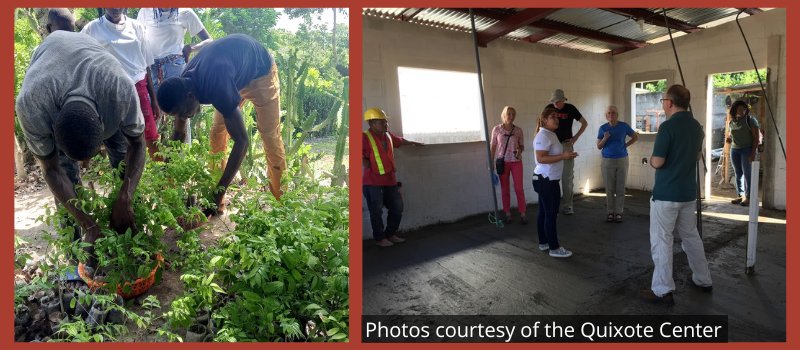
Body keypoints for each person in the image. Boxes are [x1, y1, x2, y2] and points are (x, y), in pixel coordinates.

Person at [15, 31, 146, 265]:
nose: (87, 165)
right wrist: (89, 223)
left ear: (105, 122)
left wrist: (126, 193)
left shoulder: (119, 89)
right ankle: (77, 253)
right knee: (66, 176)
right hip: (50, 66)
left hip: (96, 73)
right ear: (53, 129)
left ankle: (128, 220)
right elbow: (52, 170)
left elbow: (137, 143)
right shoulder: (31, 105)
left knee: (121, 157)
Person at [156, 34, 284, 212]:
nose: (183, 117)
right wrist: (167, 176)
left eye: (182, 113)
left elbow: (242, 142)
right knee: (217, 133)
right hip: (234, 74)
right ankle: (216, 202)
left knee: (269, 136)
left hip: (261, 72)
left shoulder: (215, 85)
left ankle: (282, 202)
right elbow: (178, 134)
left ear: (191, 96)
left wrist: (218, 192)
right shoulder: (183, 85)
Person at [640, 85, 713, 305]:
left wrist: (651, 161)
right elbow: (697, 155)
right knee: (691, 237)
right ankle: (703, 279)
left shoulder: (667, 127)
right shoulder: (696, 127)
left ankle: (662, 290)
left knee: (662, 241)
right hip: (688, 194)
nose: (662, 103)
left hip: (666, 195)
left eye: (663, 99)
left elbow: (659, 161)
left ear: (670, 103)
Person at [82, 8, 160, 159]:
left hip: (139, 88)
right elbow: (82, 58)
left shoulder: (137, 26)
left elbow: (147, 65)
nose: (116, 7)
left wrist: (154, 101)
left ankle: (162, 178)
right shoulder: (92, 29)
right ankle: (127, 178)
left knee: (150, 136)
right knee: (119, 140)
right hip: (110, 92)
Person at [137, 8, 213, 143]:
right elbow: (139, 39)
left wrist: (192, 48)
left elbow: (209, 40)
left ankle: (183, 156)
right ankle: (152, 156)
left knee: (183, 112)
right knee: (152, 112)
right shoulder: (145, 11)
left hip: (175, 66)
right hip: (151, 68)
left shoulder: (185, 12)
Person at [362, 108, 424, 247]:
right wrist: (364, 162)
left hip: (390, 180)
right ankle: (380, 238)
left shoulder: (388, 135)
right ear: (372, 124)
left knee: (397, 207)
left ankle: (390, 234)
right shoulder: (364, 137)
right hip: (372, 182)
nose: (386, 124)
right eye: (382, 122)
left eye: (386, 121)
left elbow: (400, 141)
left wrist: (413, 143)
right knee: (376, 211)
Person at [533, 107, 578, 258]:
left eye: (557, 117)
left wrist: (566, 155)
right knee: (551, 214)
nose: (556, 119)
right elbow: (541, 158)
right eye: (553, 117)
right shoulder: (543, 136)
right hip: (547, 180)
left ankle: (544, 242)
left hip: (547, 180)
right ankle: (554, 247)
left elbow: (552, 155)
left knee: (544, 213)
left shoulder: (550, 134)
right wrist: (563, 156)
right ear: (545, 119)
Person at [545, 89, 587, 215]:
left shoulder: (570, 108)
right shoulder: (548, 108)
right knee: (552, 176)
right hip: (552, 146)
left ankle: (568, 205)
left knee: (567, 177)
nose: (556, 104)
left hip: (566, 144)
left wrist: (575, 138)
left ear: (564, 100)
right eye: (554, 102)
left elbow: (584, 123)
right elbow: (541, 124)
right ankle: (553, 205)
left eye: (558, 102)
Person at [596, 105, 638, 223]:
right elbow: (599, 146)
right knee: (609, 188)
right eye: (609, 113)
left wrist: (626, 145)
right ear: (606, 115)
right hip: (607, 160)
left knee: (620, 187)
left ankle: (618, 212)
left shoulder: (623, 126)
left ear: (617, 114)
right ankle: (610, 212)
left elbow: (635, 136)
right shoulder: (603, 128)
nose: (611, 115)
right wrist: (605, 138)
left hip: (622, 160)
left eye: (613, 113)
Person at [490, 106, 527, 224]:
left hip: (516, 162)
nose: (511, 116)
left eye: (513, 114)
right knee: (504, 189)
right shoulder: (496, 129)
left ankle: (523, 213)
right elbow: (493, 147)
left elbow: (522, 146)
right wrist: (491, 162)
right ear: (504, 115)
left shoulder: (518, 130)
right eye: (509, 114)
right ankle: (507, 213)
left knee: (519, 188)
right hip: (503, 163)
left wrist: (519, 150)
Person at [725, 100, 760, 206]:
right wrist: (729, 139)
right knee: (738, 174)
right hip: (735, 150)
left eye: (744, 109)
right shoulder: (732, 122)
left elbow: (756, 138)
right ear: (735, 110)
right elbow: (732, 136)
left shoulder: (751, 120)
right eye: (740, 109)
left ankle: (749, 197)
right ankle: (740, 195)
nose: (742, 111)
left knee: (747, 174)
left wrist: (753, 153)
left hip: (747, 150)